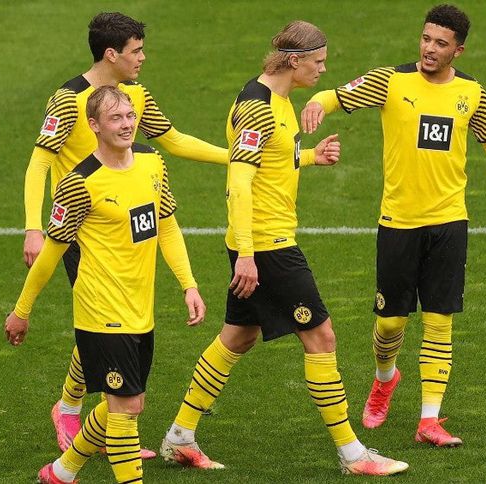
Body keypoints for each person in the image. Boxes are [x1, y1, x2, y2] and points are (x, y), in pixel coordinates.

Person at [158, 21, 408, 477]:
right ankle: (353, 454)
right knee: (321, 337)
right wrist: (248, 255)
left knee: (239, 336)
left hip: (261, 242)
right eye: (319, 61)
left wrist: (312, 157)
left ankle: (180, 436)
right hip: (266, 246)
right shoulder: (256, 109)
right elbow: (239, 182)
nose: (323, 69)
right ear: (294, 60)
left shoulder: (281, 100)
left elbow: (273, 161)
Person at [301, 4, 486, 447]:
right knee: (391, 324)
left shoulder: (471, 93)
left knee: (439, 318)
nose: (429, 48)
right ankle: (385, 378)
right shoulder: (390, 81)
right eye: (426, 39)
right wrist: (316, 103)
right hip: (399, 223)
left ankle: (429, 420)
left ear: (458, 50)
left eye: (440, 43)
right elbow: (336, 95)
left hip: (449, 221)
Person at [21, 12, 226, 458]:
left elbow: (173, 140)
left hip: (128, 220)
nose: (143, 58)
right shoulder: (68, 100)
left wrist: (235, 157)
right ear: (111, 54)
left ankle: (99, 420)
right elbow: (40, 162)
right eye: (136, 51)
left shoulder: (135, 96)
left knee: (117, 324)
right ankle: (75, 411)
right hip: (83, 229)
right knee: (104, 321)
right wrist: (34, 227)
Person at [5, 85, 205, 484]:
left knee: (129, 404)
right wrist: (21, 311)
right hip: (100, 311)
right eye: (116, 118)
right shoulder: (79, 183)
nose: (127, 124)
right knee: (126, 410)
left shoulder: (151, 162)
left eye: (130, 116)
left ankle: (61, 472)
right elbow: (51, 254)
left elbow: (167, 226)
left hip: (140, 310)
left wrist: (189, 285)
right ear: (94, 125)